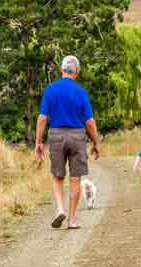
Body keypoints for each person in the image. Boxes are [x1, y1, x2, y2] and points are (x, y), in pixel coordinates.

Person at [35, 55, 101, 230]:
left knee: (57, 176)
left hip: (56, 134)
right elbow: (90, 122)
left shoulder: (50, 90)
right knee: (75, 179)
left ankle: (59, 209)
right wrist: (96, 143)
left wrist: (38, 142)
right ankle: (71, 220)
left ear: (61, 70)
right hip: (77, 136)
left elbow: (42, 118)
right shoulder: (81, 92)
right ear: (77, 71)